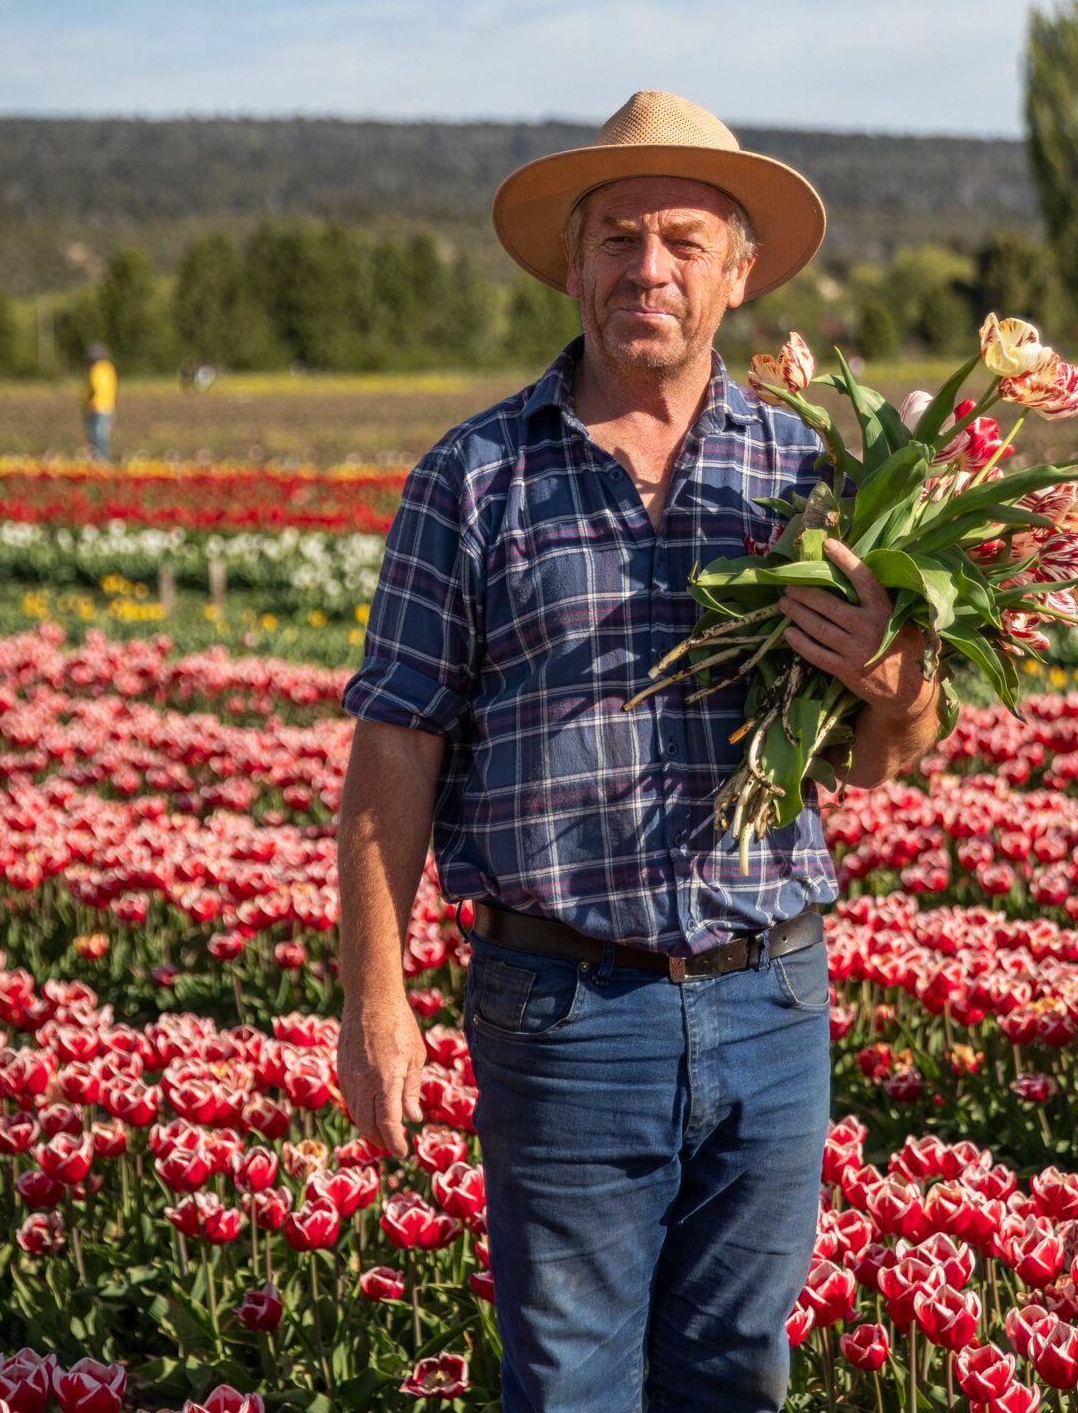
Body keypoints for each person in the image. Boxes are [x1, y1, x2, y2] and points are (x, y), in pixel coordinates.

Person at [333, 90, 944, 1412]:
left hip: (768, 995)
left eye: (681, 240)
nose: (645, 269)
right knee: (571, 1386)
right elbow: (395, 752)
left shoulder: (814, 481)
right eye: (616, 238)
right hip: (563, 1009)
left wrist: (898, 682)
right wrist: (374, 1005)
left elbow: (887, 756)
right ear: (571, 267)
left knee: (736, 1374)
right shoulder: (475, 477)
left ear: (740, 273)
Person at [83, 342, 116, 462]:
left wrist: (92, 405)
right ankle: (101, 460)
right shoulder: (107, 368)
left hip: (98, 408)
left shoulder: (99, 369)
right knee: (99, 436)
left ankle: (102, 461)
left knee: (97, 436)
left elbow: (99, 389)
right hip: (106, 407)